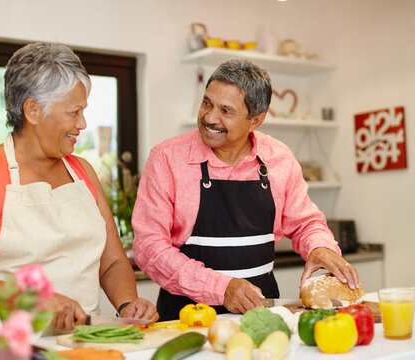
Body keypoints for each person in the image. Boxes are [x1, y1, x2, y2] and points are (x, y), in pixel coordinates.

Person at [0, 42, 158, 330]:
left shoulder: (83, 171)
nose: (82, 123)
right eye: (73, 112)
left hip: (82, 343)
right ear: (33, 110)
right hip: (7, 345)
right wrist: (30, 299)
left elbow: (112, 263)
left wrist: (127, 303)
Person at [132, 59, 360, 321]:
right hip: (186, 319)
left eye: (226, 111)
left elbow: (305, 223)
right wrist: (220, 288)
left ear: (255, 121)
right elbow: (149, 247)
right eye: (207, 103)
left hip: (260, 315)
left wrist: (320, 248)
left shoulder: (278, 158)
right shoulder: (166, 159)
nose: (209, 117)